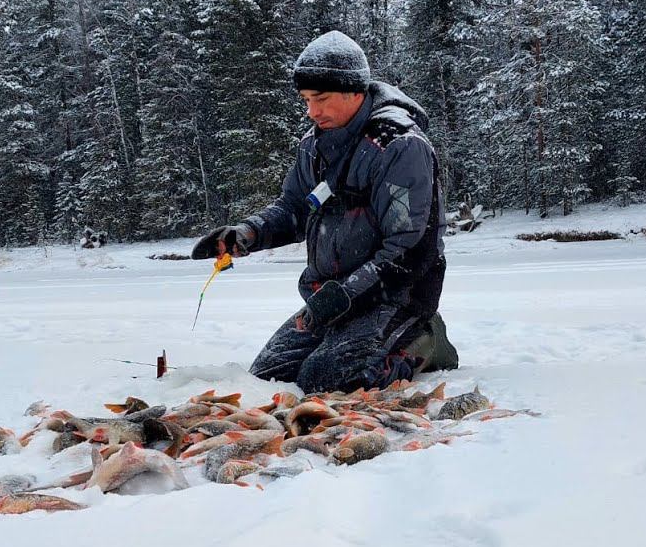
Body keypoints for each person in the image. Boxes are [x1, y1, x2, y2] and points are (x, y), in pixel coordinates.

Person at [191, 31, 458, 393]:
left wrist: (345, 294)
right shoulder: (314, 144)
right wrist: (245, 235)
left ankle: (424, 340)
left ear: (355, 91)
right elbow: (295, 208)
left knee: (329, 382)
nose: (311, 112)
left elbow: (410, 251)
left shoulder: (399, 146)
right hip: (328, 298)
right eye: (305, 100)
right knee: (268, 380)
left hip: (395, 295)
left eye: (321, 99)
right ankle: (346, 338)